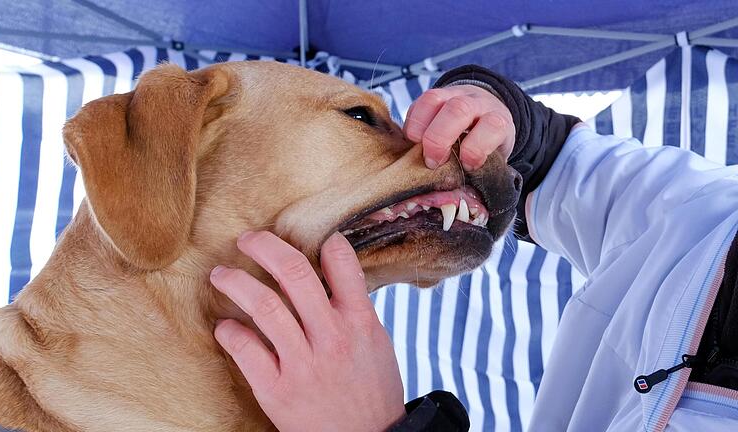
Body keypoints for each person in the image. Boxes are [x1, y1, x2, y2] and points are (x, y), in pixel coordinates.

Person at [210, 65, 738, 431]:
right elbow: (564, 165)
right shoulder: (721, 211)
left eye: (360, 117)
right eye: (361, 119)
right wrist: (493, 112)